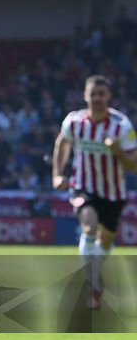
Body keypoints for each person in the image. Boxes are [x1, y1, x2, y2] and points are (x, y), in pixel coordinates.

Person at [52, 75, 137, 310]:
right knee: (88, 227)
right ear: (85, 95)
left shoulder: (122, 125)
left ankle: (95, 275)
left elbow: (134, 164)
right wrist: (57, 175)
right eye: (93, 94)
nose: (97, 98)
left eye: (102, 94)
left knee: (106, 241)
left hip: (113, 193)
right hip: (83, 187)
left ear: (108, 97)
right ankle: (92, 286)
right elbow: (62, 143)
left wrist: (118, 151)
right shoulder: (74, 121)